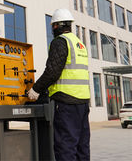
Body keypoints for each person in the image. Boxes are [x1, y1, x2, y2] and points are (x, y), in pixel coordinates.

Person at [27, 9, 90, 161]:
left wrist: (35, 89)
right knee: (82, 147)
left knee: (65, 147)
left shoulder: (60, 42)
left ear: (56, 26)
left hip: (67, 103)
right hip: (83, 103)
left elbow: (52, 71)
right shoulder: (79, 44)